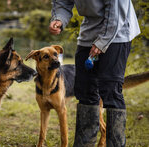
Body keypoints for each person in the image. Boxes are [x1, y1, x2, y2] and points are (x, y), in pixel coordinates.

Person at [49, 0, 140, 146]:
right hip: (89, 33)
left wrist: (102, 41)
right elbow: (62, 2)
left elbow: (116, 11)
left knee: (110, 90)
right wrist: (59, 18)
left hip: (117, 31)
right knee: (85, 90)